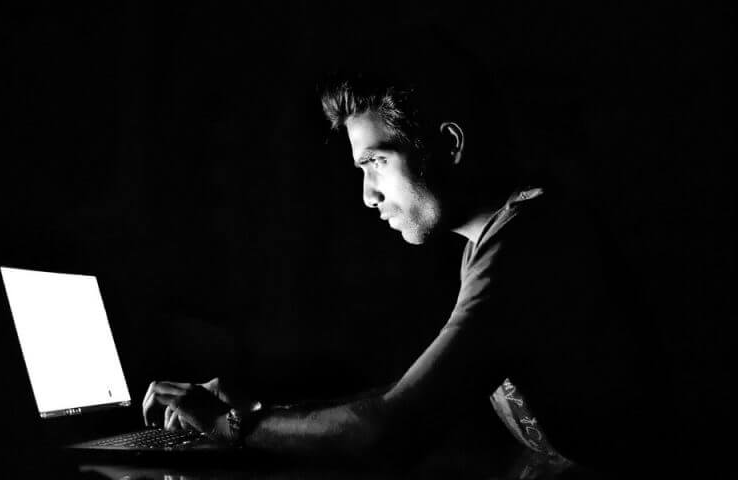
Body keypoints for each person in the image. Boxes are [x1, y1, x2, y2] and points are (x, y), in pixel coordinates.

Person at [142, 30, 670, 475]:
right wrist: (260, 411)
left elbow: (391, 430)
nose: (368, 195)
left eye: (376, 162)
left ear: (449, 145)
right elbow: (416, 395)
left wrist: (232, 426)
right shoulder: (492, 240)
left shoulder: (528, 244)